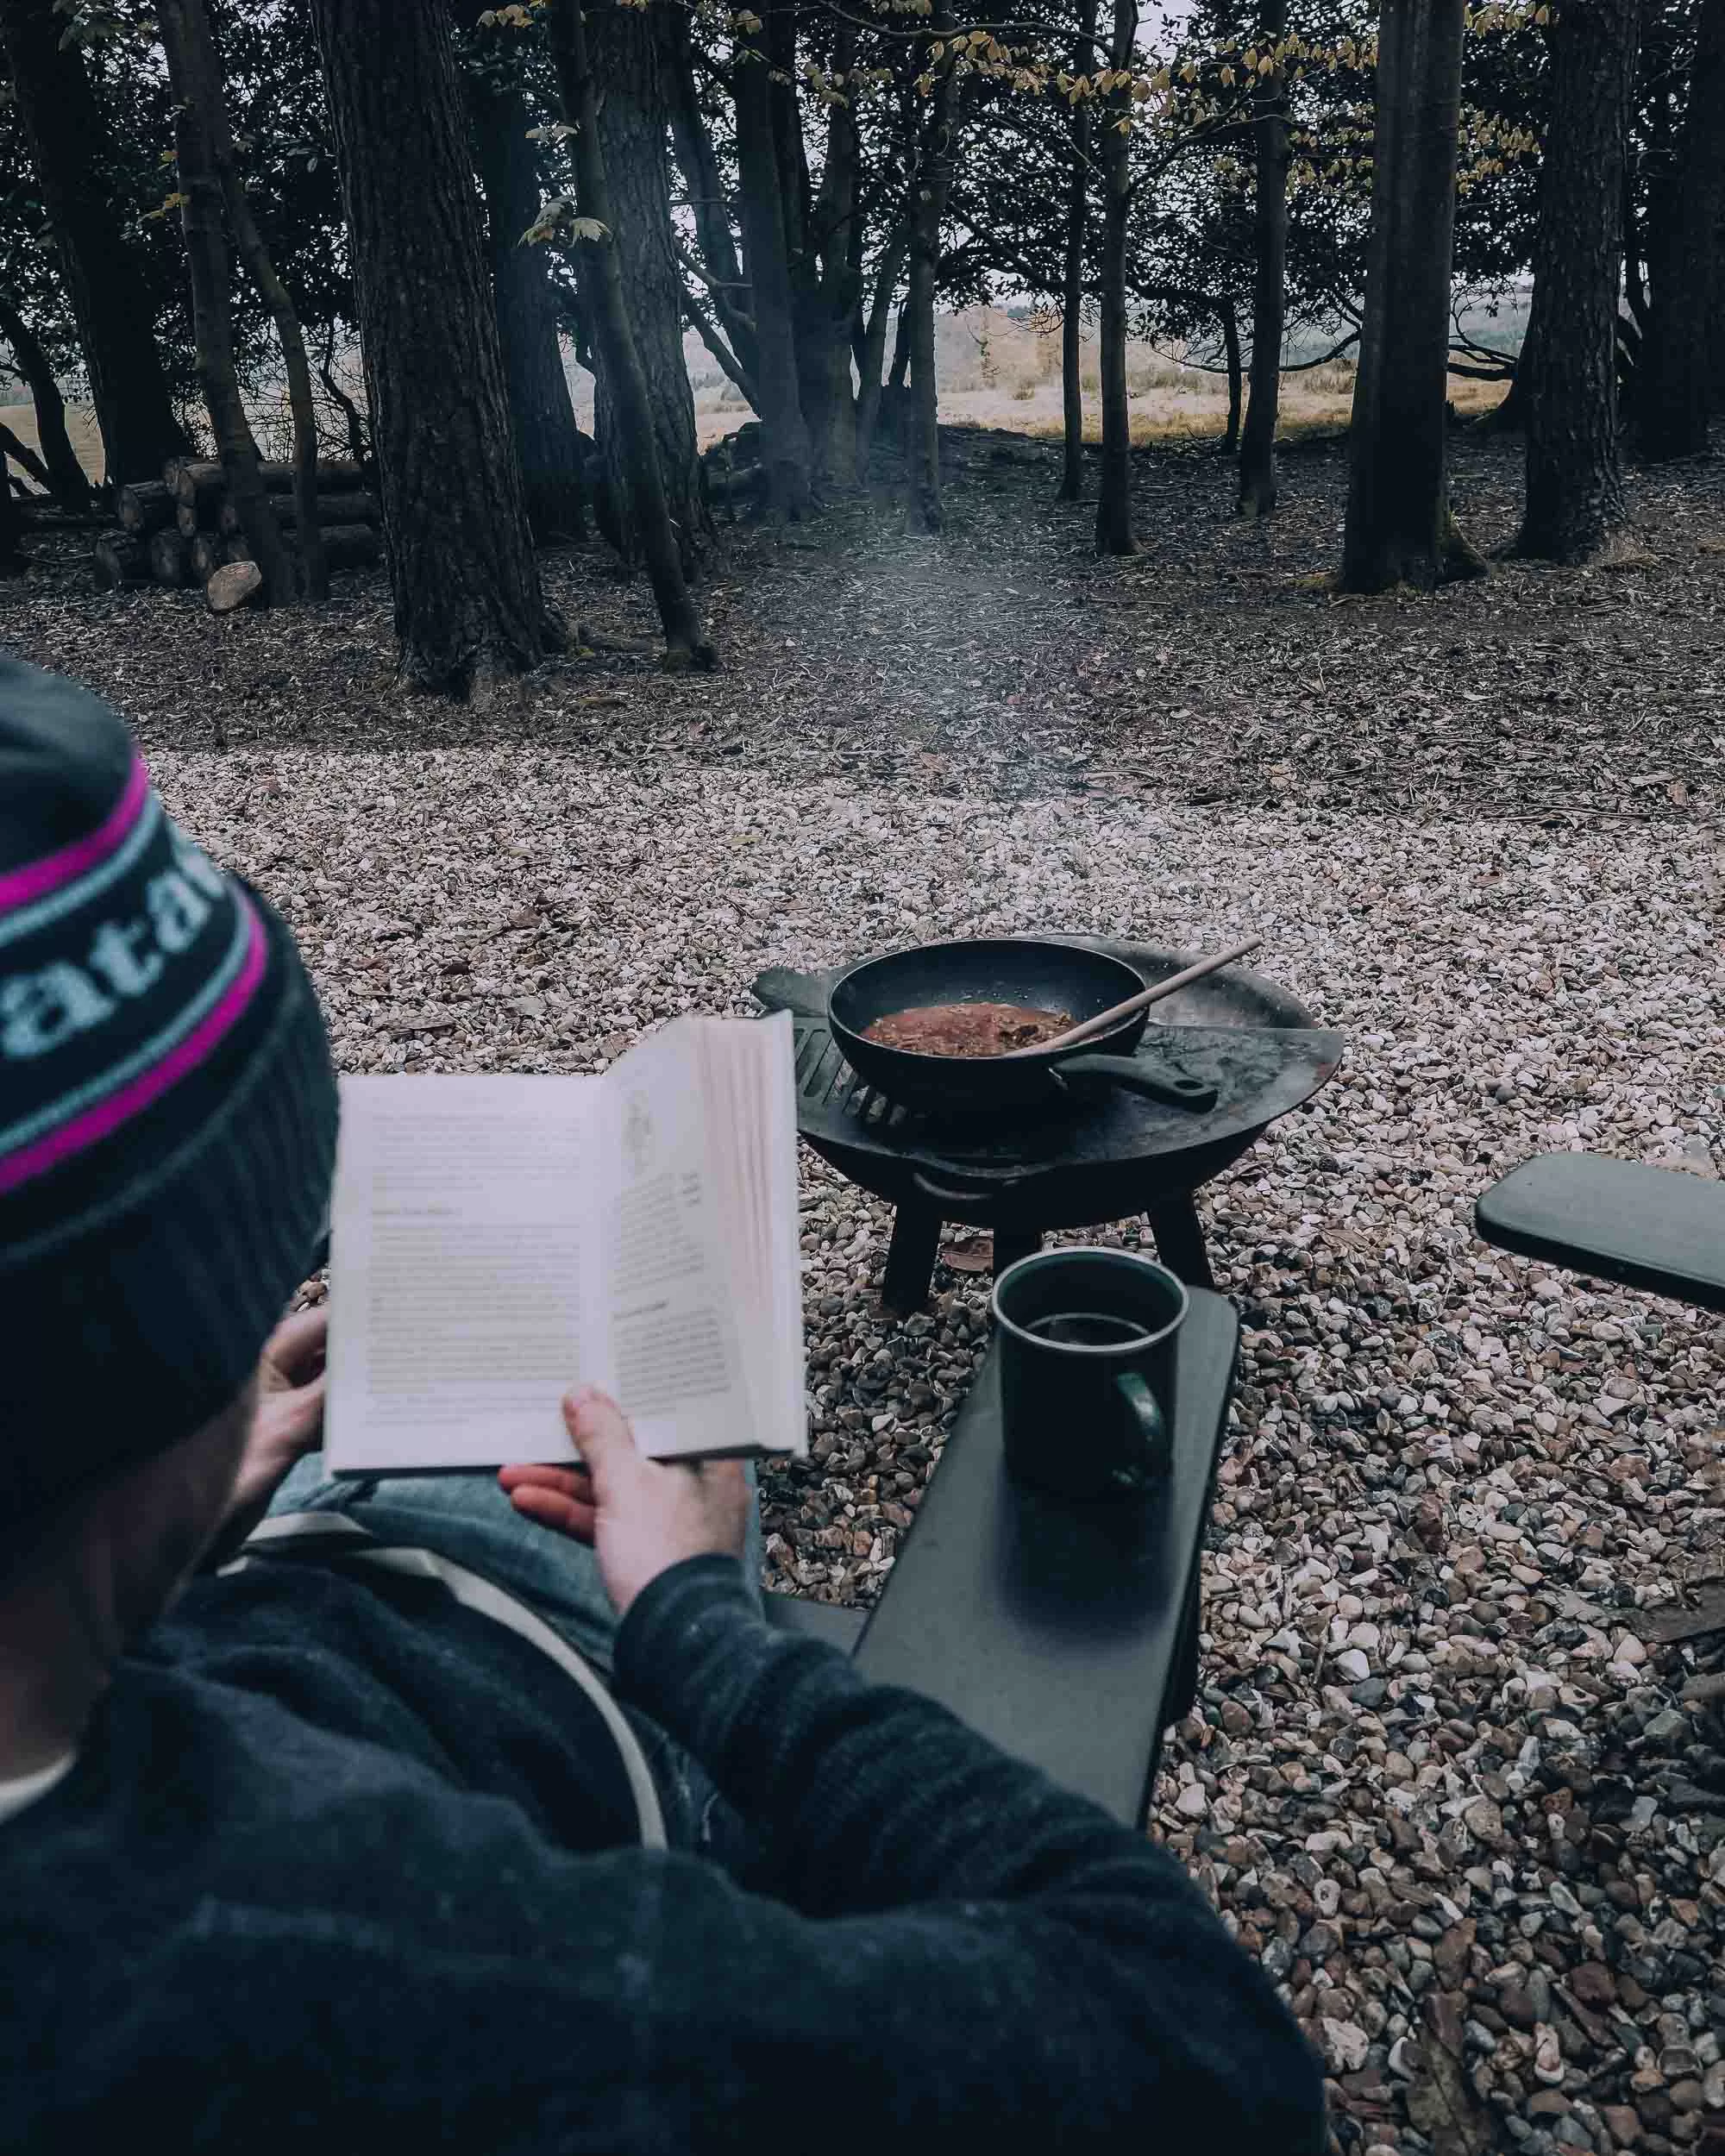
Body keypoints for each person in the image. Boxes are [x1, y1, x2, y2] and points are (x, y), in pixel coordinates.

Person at [0, 660, 1326, 2152]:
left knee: (451, 1434)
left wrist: (186, 1521)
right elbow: (1200, 2057)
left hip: (237, 1578)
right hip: (555, 1684)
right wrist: (699, 1622)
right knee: (655, 1422)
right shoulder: (433, 1971)